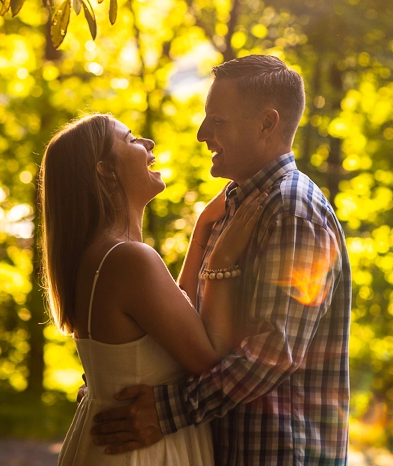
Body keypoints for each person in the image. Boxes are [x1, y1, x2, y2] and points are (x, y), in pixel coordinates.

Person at [92, 54, 351, 466]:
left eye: (218, 121)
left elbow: (275, 351)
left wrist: (168, 410)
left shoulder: (292, 212)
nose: (201, 134)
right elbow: (195, 330)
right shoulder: (237, 205)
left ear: (267, 124)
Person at [40, 111, 265, 466]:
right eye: (130, 139)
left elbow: (176, 318)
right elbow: (210, 361)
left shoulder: (104, 255)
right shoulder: (129, 259)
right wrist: (226, 253)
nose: (148, 144)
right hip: (142, 454)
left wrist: (204, 227)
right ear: (104, 169)